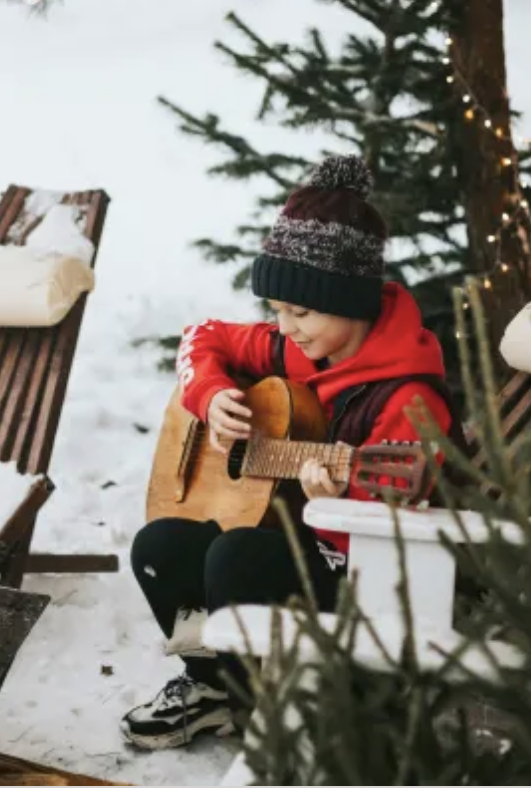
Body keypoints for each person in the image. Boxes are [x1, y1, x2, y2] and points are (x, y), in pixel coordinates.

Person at [122, 155, 453, 751]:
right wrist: (211, 393)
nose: (285, 326)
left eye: (299, 311)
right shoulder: (294, 350)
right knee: (158, 546)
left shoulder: (408, 395)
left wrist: (335, 506)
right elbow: (202, 337)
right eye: (277, 311)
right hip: (292, 543)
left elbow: (398, 531)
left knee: (235, 557)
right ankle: (213, 684)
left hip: (359, 577)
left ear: (349, 301)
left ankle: (285, 703)